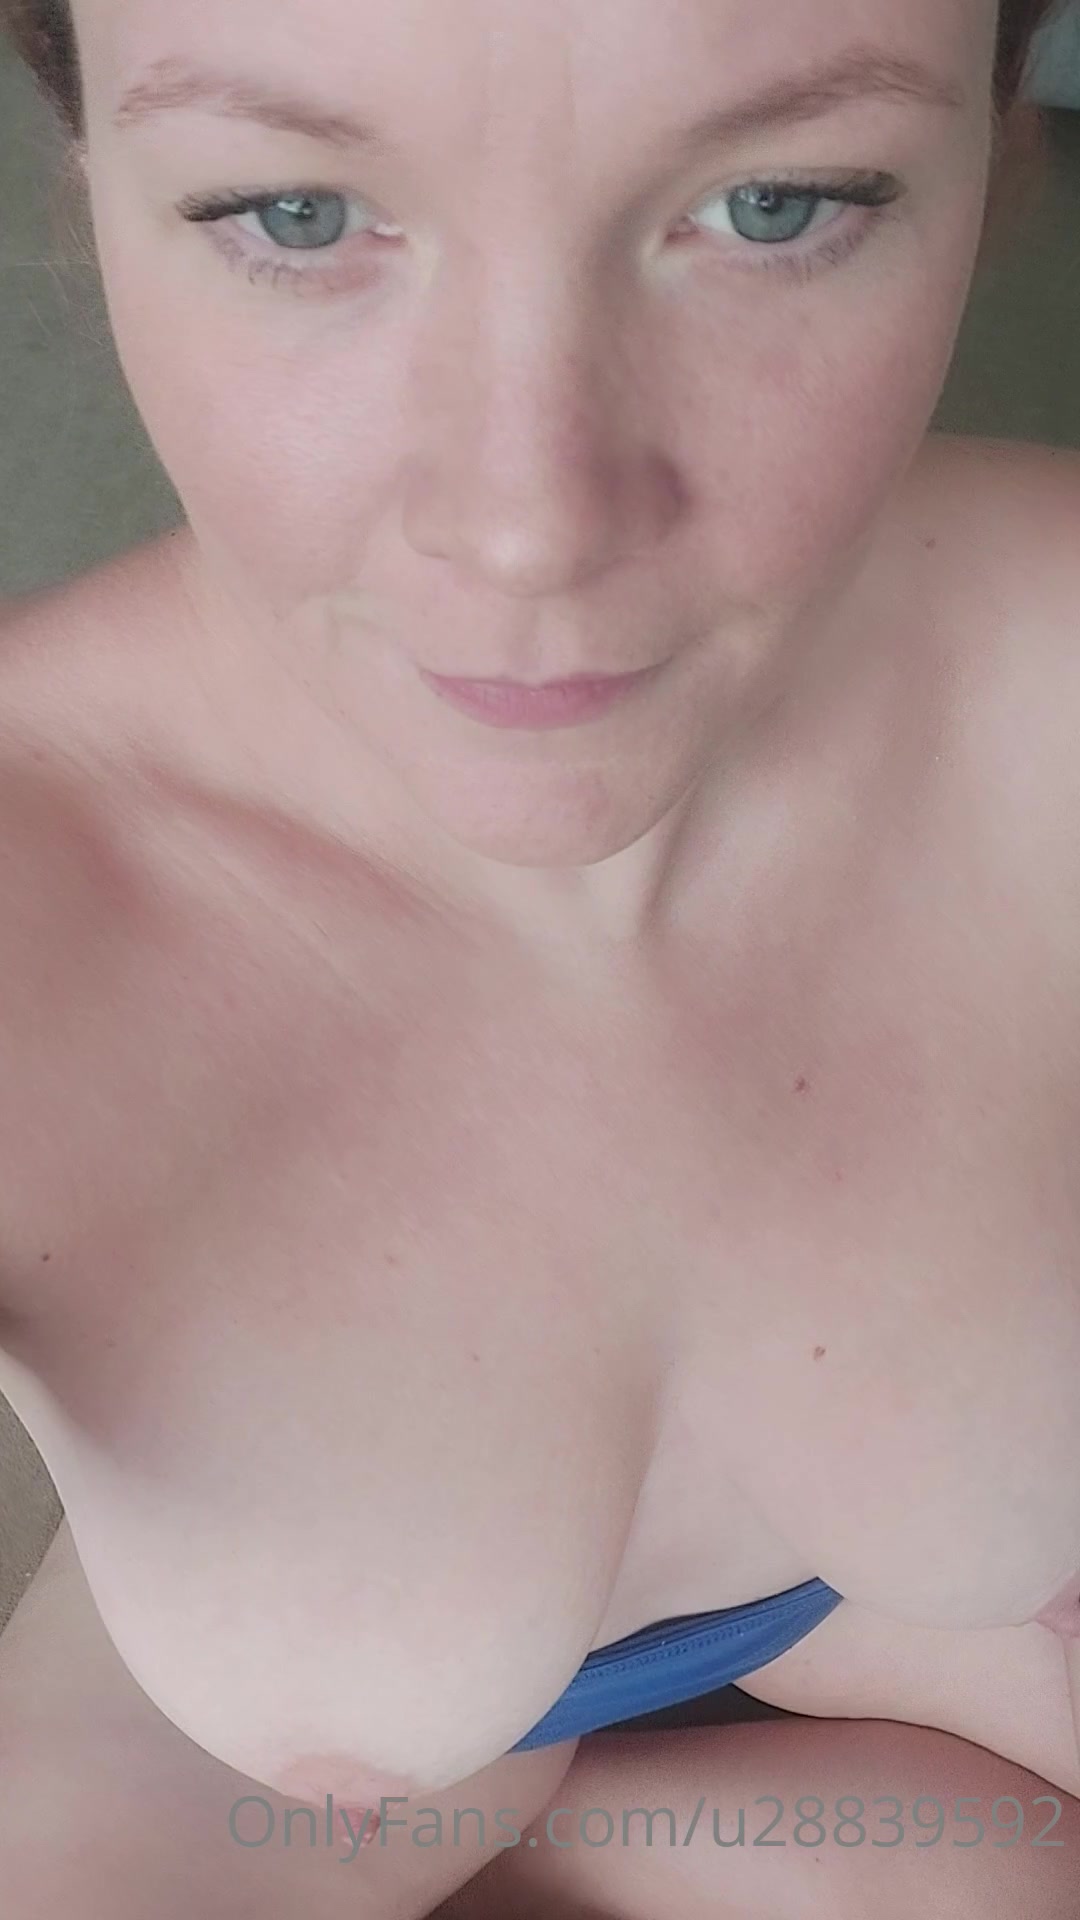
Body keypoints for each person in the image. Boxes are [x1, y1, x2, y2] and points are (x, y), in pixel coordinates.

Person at [0, 0, 1078, 1914]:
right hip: (254, 1776)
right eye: (296, 215)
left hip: (873, 1605)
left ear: (995, 157)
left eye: (777, 202)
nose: (529, 532)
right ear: (98, 183)